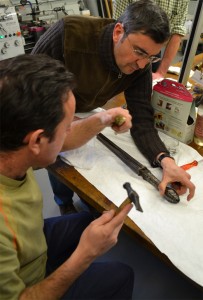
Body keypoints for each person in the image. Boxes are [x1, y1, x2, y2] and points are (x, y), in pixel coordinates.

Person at [32, 0, 195, 215]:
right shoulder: (69, 35)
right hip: (51, 105)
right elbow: (30, 88)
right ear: (118, 32)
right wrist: (65, 119)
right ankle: (63, 202)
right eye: (139, 52)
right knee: (59, 160)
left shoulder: (141, 64)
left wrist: (164, 159)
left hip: (89, 108)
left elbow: (142, 118)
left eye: (152, 57)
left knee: (86, 166)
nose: (142, 65)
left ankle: (84, 200)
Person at [0, 54, 134, 299]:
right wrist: (85, 254)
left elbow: (62, 141)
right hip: (27, 286)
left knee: (84, 220)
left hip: (31, 242)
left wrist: (102, 119)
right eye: (66, 127)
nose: (70, 132)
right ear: (37, 141)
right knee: (121, 274)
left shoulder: (11, 142)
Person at [113, 0, 190, 80]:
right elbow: (118, 25)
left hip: (153, 52)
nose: (142, 66)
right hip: (125, 48)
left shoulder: (147, 60)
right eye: (140, 52)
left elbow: (177, 31)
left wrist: (160, 73)